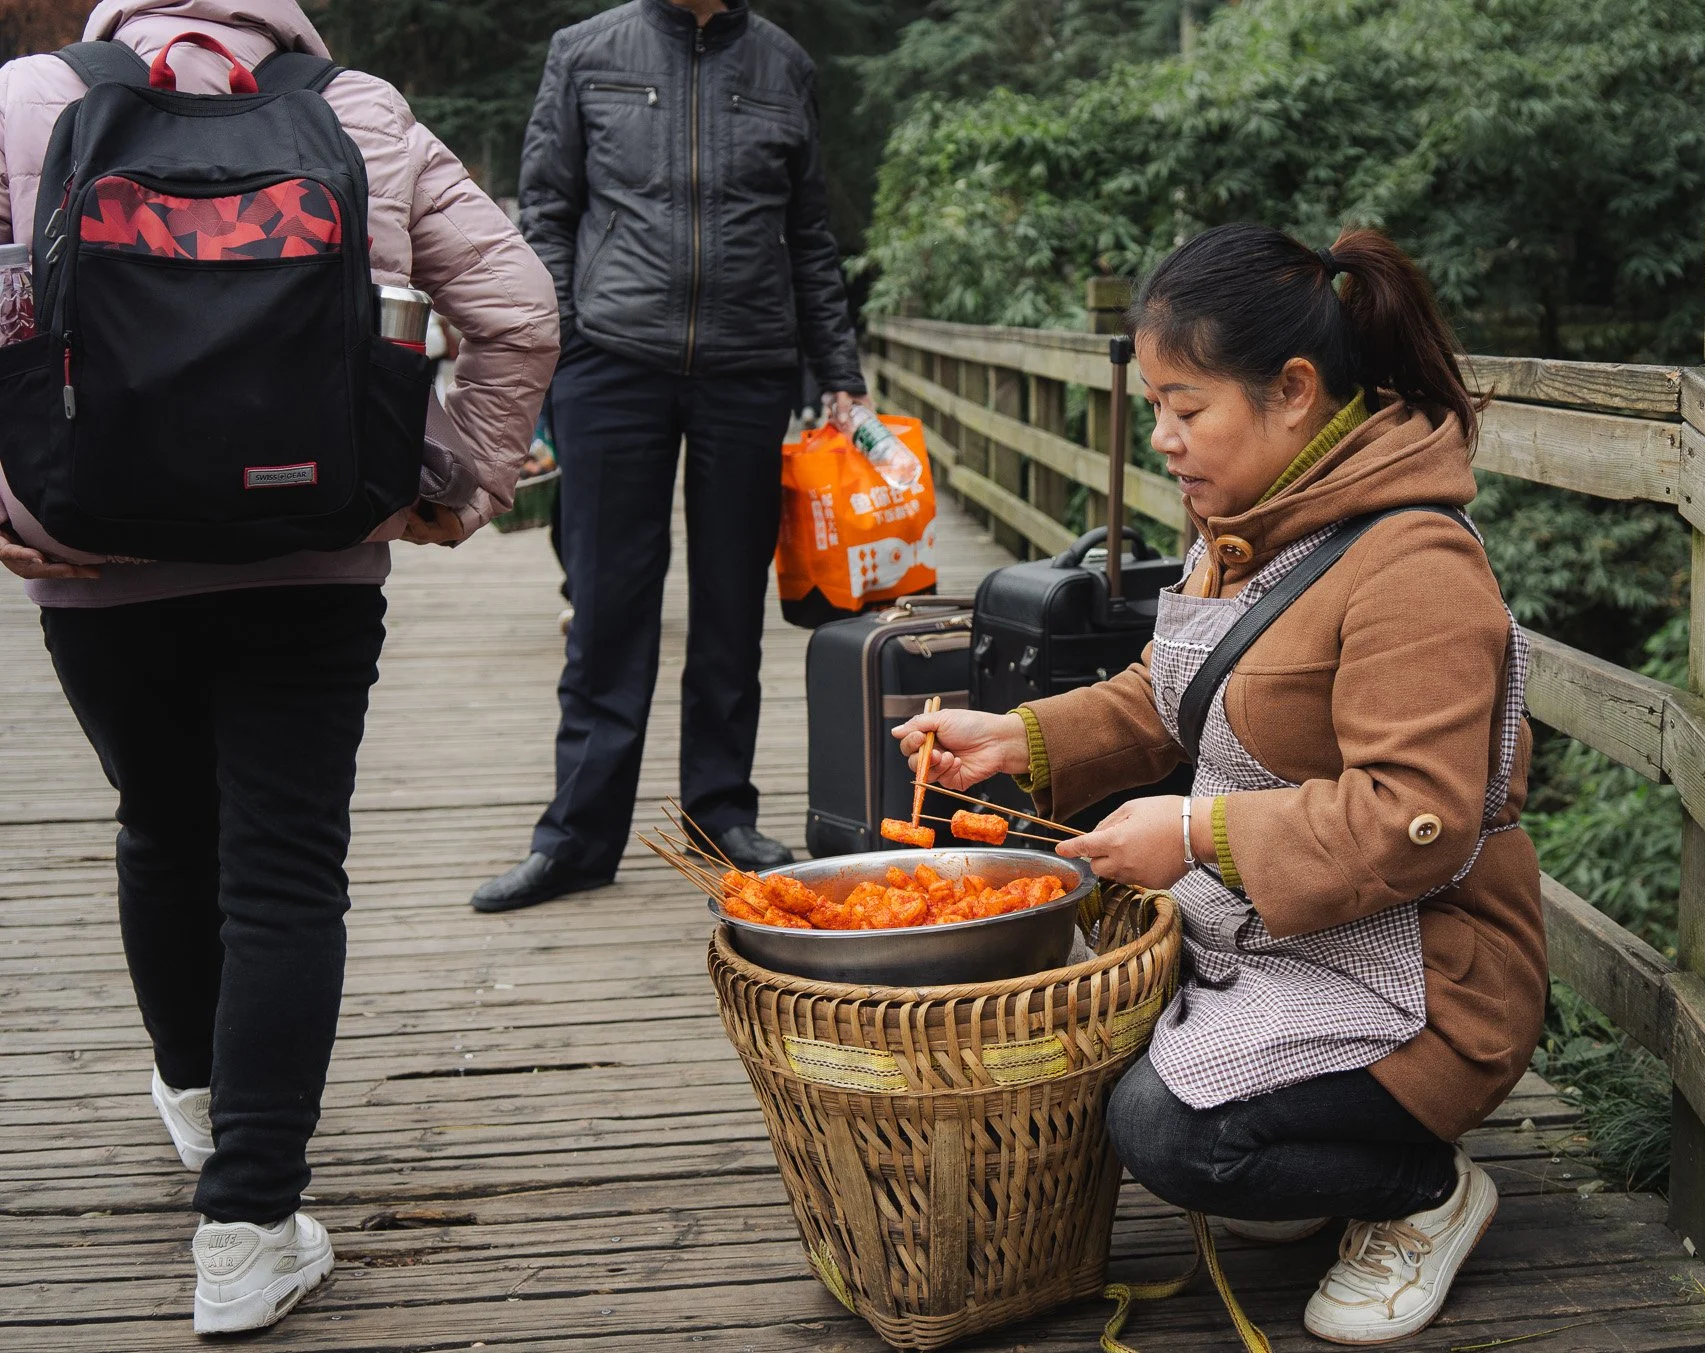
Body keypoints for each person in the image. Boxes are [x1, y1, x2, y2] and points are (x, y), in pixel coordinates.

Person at [0, 0, 559, 1334]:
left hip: (95, 556)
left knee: (159, 823)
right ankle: (249, 1229)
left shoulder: (26, 103)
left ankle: (199, 1097)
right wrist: (448, 482)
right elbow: (521, 311)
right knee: (285, 868)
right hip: (312, 552)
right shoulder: (358, 111)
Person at [894, 224, 1544, 1344]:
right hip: (1275, 935)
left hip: (1424, 974)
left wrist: (1199, 832)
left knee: (1168, 1132)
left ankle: (1422, 1194)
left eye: (1185, 408)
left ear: (1291, 392)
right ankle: (1306, 1152)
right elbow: (1169, 695)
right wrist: (1016, 739)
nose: (1162, 438)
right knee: (1090, 1032)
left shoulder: (1415, 565)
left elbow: (1412, 820)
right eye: (1155, 406)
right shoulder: (1243, 528)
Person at [473, 0, 869, 912]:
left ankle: (720, 816)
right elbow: (547, 213)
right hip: (611, 363)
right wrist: (560, 343)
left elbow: (809, 234)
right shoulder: (584, 52)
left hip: (750, 366)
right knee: (608, 607)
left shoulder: (784, 65)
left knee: (731, 609)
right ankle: (577, 838)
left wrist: (840, 373)